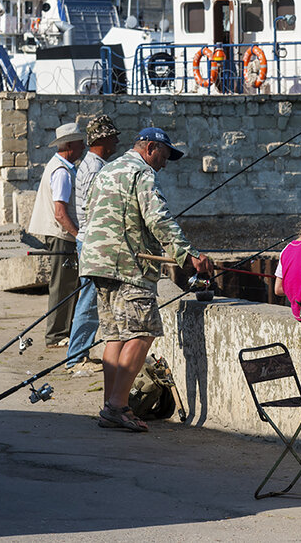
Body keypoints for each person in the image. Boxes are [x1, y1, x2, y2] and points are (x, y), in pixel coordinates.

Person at [79, 127, 213, 432]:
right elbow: (158, 218)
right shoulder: (142, 173)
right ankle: (117, 406)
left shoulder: (107, 170)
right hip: (128, 266)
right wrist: (189, 255)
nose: (164, 164)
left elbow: (89, 215)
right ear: (150, 147)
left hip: (97, 262)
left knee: (114, 334)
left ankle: (110, 404)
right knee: (143, 331)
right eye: (164, 156)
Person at [66, 114, 120, 370]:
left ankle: (79, 353)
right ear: (104, 139)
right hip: (92, 243)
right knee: (88, 301)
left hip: (88, 241)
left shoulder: (90, 164)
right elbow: (96, 210)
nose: (117, 142)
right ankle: (76, 358)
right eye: (113, 137)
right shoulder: (95, 169)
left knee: (90, 299)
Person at [27, 122, 85, 349]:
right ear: (70, 145)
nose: (83, 147)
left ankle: (63, 331)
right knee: (62, 286)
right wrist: (79, 235)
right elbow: (60, 213)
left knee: (67, 285)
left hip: (61, 234)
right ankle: (56, 335)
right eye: (80, 143)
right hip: (62, 235)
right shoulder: (62, 172)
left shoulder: (59, 166)